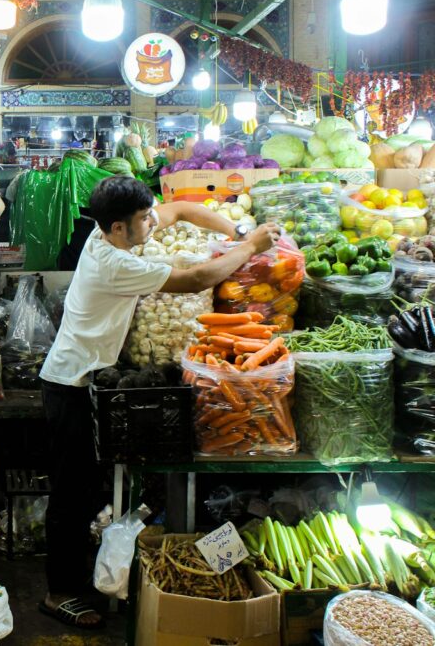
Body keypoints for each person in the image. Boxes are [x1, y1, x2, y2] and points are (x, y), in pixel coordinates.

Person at [38, 176, 280, 628]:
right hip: (68, 385)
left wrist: (239, 233)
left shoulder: (115, 230)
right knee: (74, 492)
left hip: (89, 375)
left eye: (149, 214)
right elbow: (196, 280)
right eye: (143, 219)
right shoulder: (111, 261)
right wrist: (254, 247)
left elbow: (183, 210)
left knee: (88, 489)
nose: (153, 222)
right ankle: (59, 593)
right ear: (116, 229)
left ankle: (85, 572)